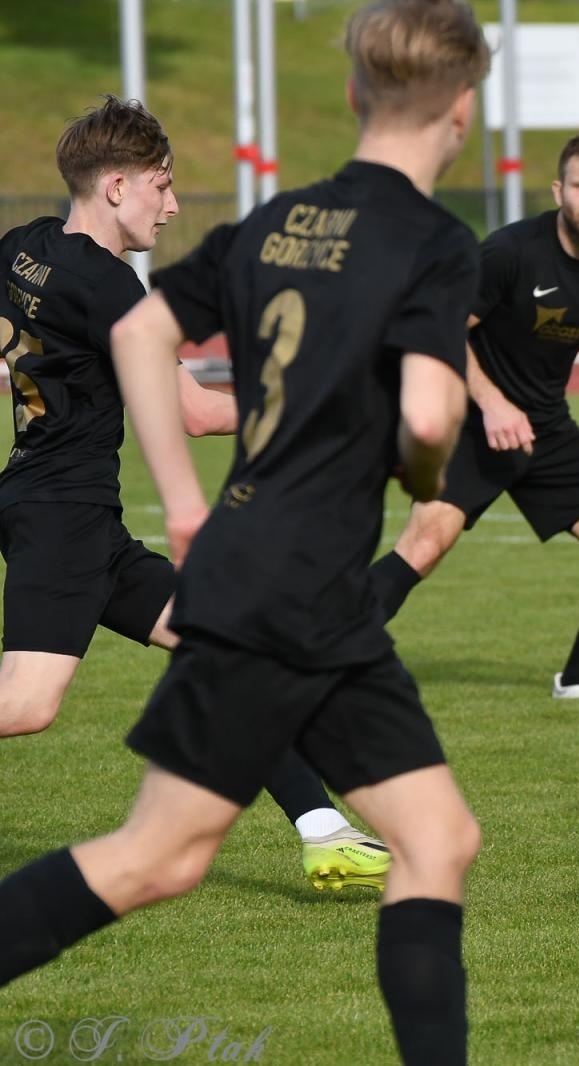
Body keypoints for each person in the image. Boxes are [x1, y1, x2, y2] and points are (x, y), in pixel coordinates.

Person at [0, 4, 489, 1061]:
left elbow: (142, 332)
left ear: (356, 97)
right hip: (293, 584)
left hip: (272, 574)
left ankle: (316, 824)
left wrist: (179, 497)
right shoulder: (437, 242)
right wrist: (428, 472)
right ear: (462, 112)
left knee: (436, 838)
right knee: (149, 854)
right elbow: (424, 420)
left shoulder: (273, 224)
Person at [0, 95, 389, 890]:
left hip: (66, 512)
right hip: (62, 519)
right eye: (162, 185)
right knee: (26, 706)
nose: (173, 205)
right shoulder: (113, 292)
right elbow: (199, 413)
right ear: (116, 187)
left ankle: (324, 832)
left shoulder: (22, 247)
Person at [367, 134, 579, 704]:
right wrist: (493, 403)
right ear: (559, 190)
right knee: (425, 544)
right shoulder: (510, 252)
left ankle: (577, 679)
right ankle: (320, 659)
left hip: (546, 428)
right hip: (473, 424)